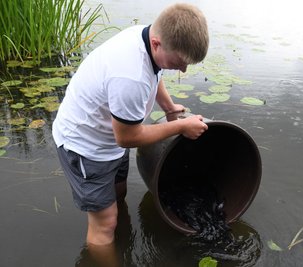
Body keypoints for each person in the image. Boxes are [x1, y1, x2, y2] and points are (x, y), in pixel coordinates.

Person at [52, 2, 209, 252]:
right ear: (157, 43)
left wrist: (168, 108)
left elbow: (154, 71)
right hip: (85, 146)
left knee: (118, 192)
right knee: (104, 225)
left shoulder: (145, 38)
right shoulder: (129, 75)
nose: (183, 69)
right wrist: (181, 127)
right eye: (179, 61)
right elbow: (127, 137)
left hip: (109, 135)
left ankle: (119, 232)